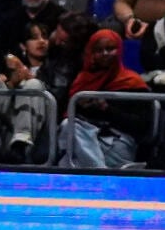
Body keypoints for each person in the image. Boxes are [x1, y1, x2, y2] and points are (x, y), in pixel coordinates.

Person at [61, 28, 150, 168]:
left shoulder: (132, 82)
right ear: (91, 53)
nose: (105, 54)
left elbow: (142, 125)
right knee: (68, 128)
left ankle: (98, 174)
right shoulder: (81, 80)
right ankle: (100, 172)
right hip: (84, 138)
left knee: (68, 161)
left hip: (117, 142)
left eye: (110, 49)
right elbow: (64, 113)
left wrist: (107, 109)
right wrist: (81, 107)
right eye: (99, 50)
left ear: (119, 50)